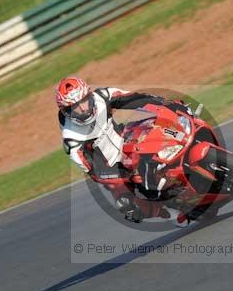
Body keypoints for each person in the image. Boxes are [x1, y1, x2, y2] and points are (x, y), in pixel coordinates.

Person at [56, 76, 192, 223]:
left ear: (90, 95)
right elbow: (95, 172)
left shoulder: (103, 96)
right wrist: (124, 174)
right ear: (66, 111)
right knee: (129, 206)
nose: (83, 109)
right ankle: (173, 211)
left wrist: (168, 104)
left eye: (84, 101)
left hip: (128, 138)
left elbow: (136, 98)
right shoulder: (71, 139)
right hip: (114, 168)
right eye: (75, 106)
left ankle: (187, 138)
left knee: (161, 124)